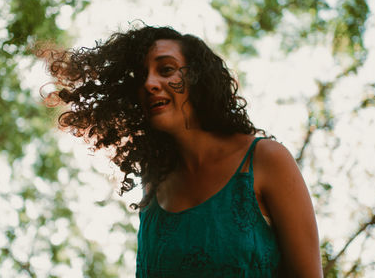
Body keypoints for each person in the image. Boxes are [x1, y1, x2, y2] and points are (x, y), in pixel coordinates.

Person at [38, 25, 322, 277]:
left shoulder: (265, 160)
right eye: (141, 78)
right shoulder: (153, 190)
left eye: (166, 69)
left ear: (199, 78)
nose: (149, 83)